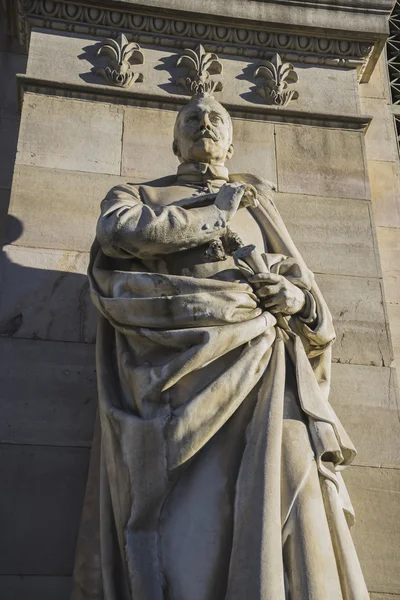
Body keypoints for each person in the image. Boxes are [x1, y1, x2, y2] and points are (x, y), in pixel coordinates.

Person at [85, 93, 370, 600]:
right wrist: (216, 213)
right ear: (175, 140)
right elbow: (118, 233)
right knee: (187, 528)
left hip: (265, 360)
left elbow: (313, 308)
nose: (205, 123)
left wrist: (298, 299)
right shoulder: (138, 194)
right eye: (191, 118)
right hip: (174, 370)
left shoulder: (260, 210)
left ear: (232, 140)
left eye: (217, 117)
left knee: (292, 486)